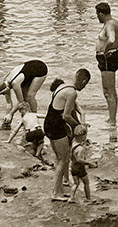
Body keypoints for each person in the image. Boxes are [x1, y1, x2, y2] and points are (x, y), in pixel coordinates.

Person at [46, 69, 92, 202]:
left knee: (59, 158)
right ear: (84, 81)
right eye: (86, 84)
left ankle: (59, 188)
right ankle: (55, 193)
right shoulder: (72, 93)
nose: (84, 87)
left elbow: (66, 108)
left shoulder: (63, 86)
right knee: (64, 160)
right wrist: (78, 125)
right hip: (56, 127)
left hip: (48, 123)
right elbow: (66, 115)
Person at [95, 2, 118, 129]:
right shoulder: (115, 22)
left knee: (108, 91)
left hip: (108, 58)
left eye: (97, 14)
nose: (97, 17)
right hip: (113, 56)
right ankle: (112, 117)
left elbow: (111, 39)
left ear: (101, 13)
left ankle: (112, 121)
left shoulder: (109, 24)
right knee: (112, 90)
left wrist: (104, 50)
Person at [69, 124, 95, 202]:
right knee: (86, 183)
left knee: (75, 183)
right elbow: (79, 159)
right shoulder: (80, 149)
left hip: (73, 167)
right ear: (82, 137)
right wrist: (89, 163)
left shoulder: (73, 143)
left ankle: (71, 198)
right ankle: (88, 198)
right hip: (80, 168)